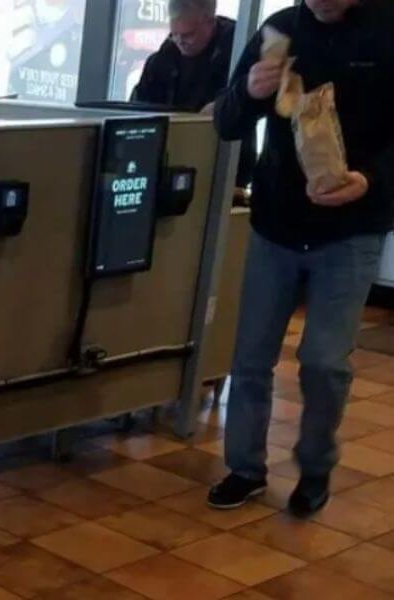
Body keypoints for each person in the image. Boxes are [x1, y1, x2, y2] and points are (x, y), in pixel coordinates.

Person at [209, 0, 394, 517]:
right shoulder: (280, 30)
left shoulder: (386, 31)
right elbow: (225, 120)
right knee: (249, 357)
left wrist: (370, 180)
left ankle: (315, 467)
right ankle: (244, 467)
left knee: (323, 362)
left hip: (352, 227)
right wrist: (249, 91)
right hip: (276, 223)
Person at [132, 0, 255, 188]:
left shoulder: (238, 52)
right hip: (170, 158)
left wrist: (222, 106)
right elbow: (137, 107)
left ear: (210, 22)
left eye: (188, 34)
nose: (181, 41)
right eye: (175, 34)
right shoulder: (163, 57)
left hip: (225, 166)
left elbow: (249, 103)